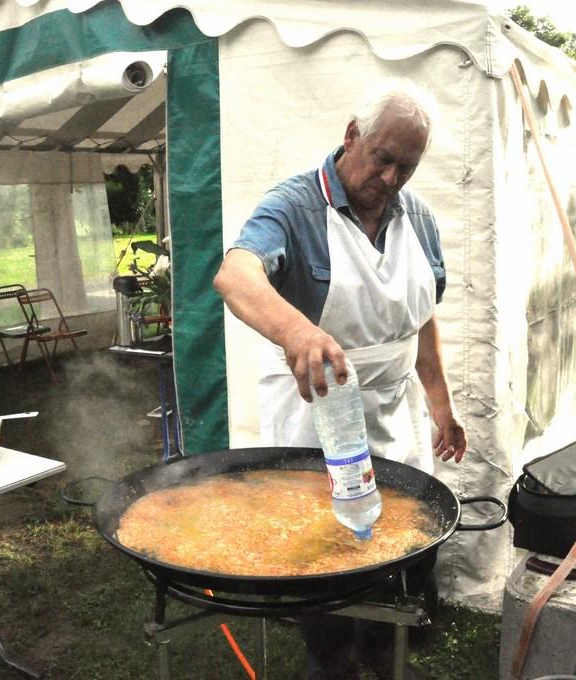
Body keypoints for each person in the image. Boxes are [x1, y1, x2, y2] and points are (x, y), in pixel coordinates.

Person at [213, 79, 467, 680]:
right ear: (352, 136)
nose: (391, 178)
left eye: (406, 167)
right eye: (382, 158)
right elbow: (236, 275)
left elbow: (421, 317)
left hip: (393, 406)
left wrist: (440, 404)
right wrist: (298, 332)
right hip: (318, 406)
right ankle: (328, 656)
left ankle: (387, 646)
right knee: (325, 547)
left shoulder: (418, 217)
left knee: (403, 531)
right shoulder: (295, 206)